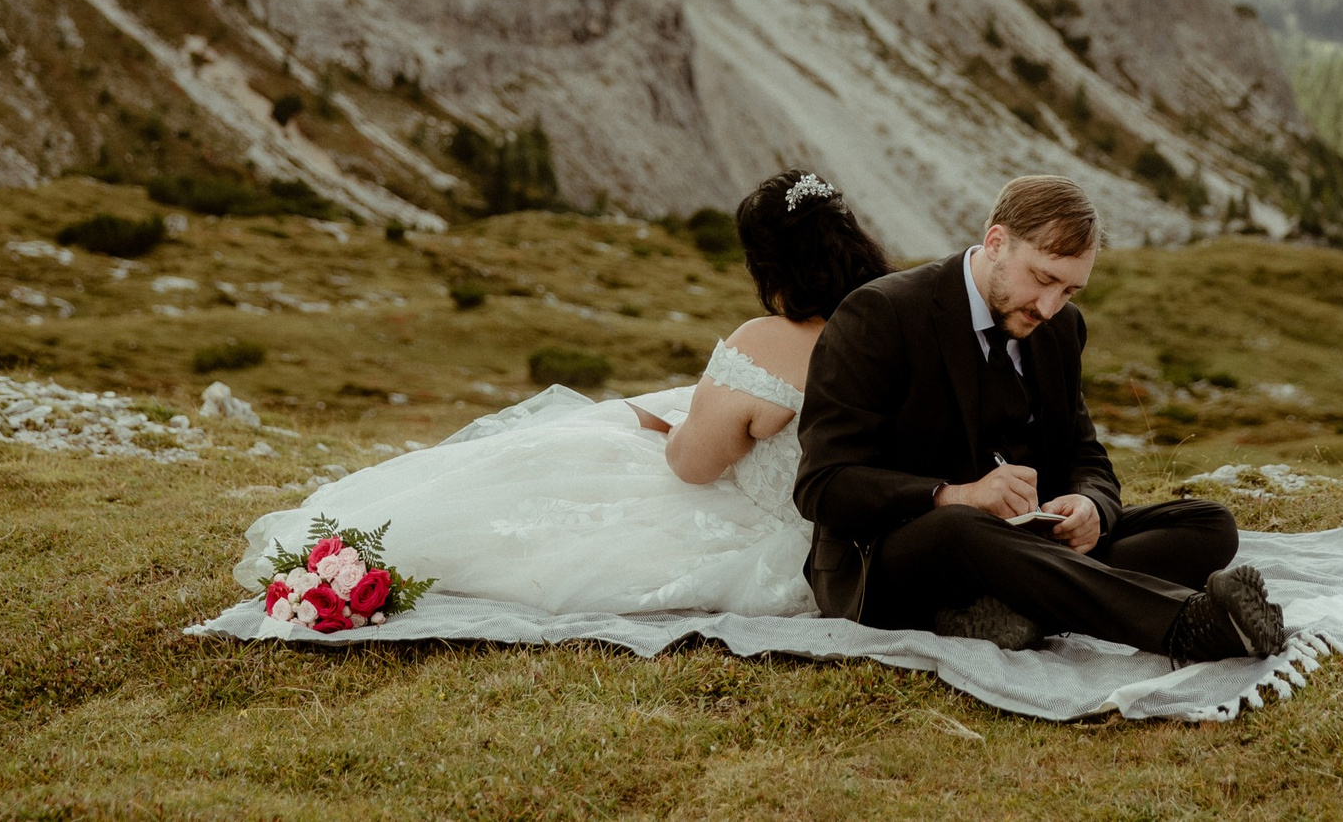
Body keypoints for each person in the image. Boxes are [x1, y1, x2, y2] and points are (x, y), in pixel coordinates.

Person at [232, 169, 888, 617]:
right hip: (856, 538)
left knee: (591, 446)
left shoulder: (766, 339)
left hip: (770, 533)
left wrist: (690, 423)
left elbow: (694, 463)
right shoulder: (892, 323)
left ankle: (365, 542)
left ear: (773, 267)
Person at [793, 174, 1287, 663]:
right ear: (996, 242)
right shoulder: (879, 314)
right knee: (960, 529)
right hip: (895, 558)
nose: (1050, 307)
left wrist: (1093, 505)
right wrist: (954, 495)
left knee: (1208, 523)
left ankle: (1014, 608)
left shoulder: (1061, 328)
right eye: (1044, 279)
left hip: (1025, 544)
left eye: (1070, 290)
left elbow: (1085, 452)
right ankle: (1186, 627)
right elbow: (822, 485)